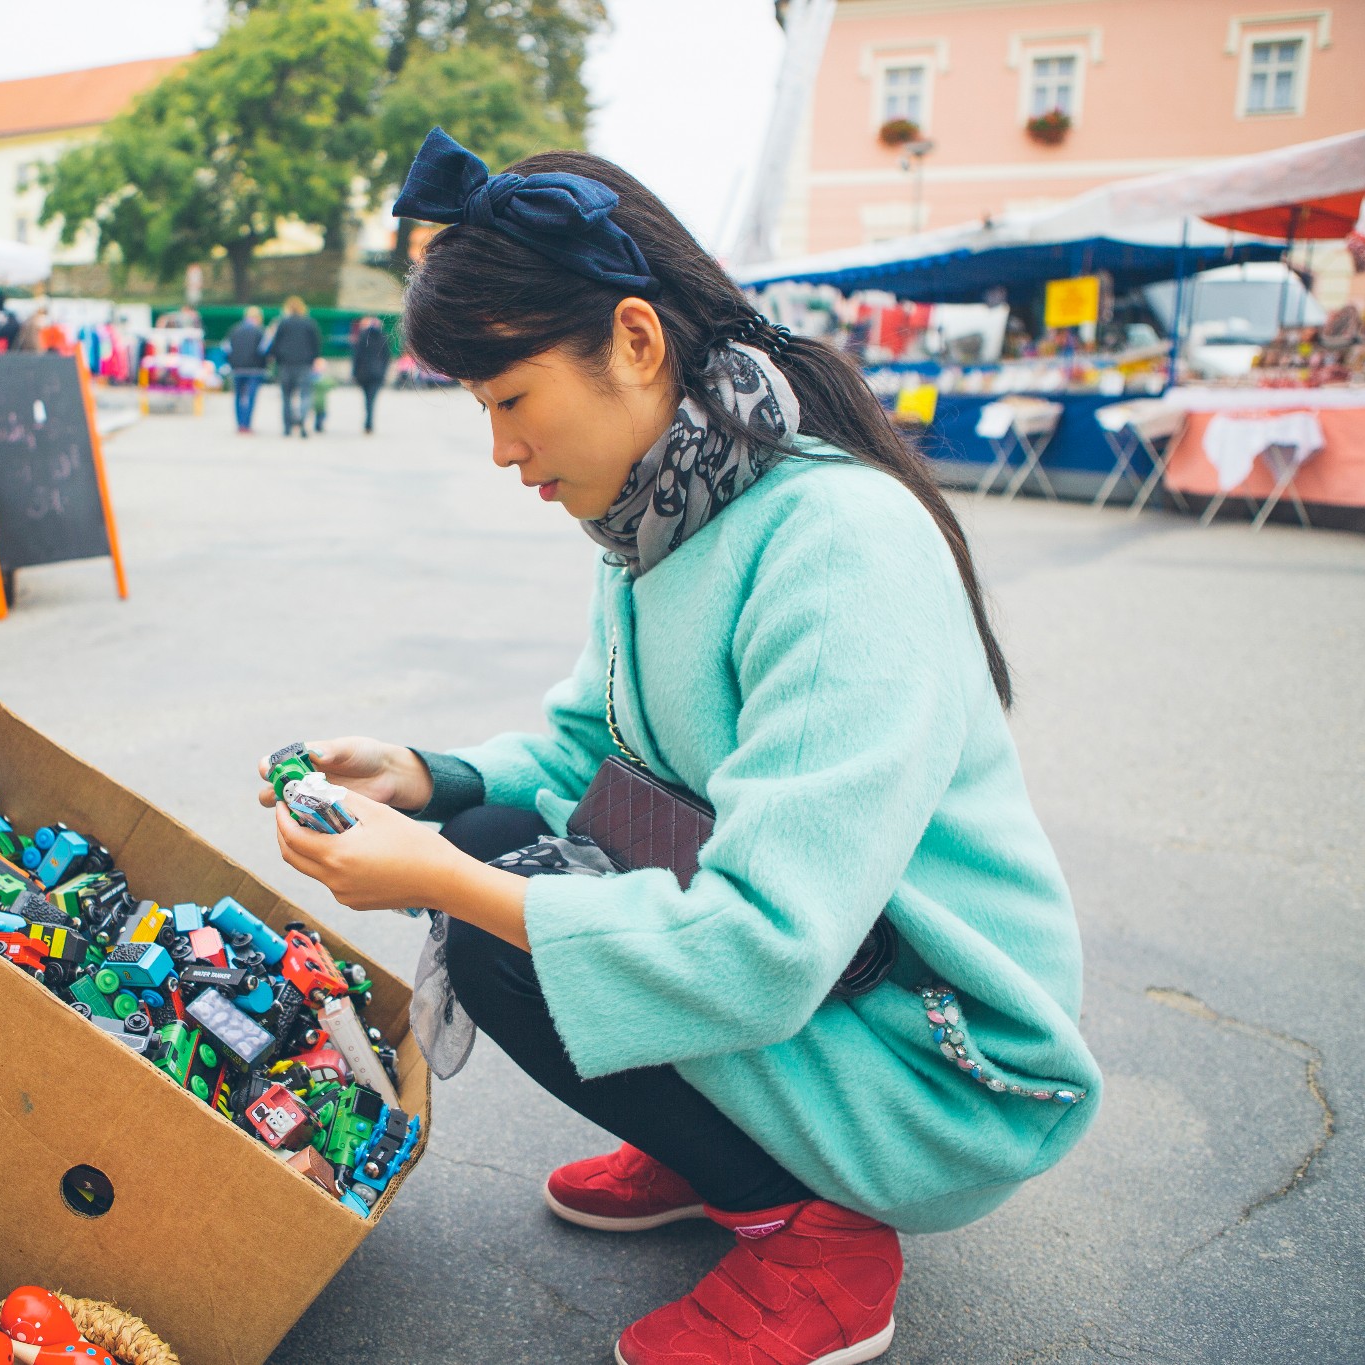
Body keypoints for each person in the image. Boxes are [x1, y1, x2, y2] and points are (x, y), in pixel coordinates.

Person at [259, 129, 1098, 1365]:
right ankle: (718, 1134)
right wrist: (428, 780)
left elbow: (764, 947)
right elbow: (596, 747)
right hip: (835, 984)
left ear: (635, 342)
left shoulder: (832, 541)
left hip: (935, 1066)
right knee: (494, 838)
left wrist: (438, 881)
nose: (500, 450)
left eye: (507, 399)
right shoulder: (666, 512)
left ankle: (818, 1242)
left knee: (490, 917)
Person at [265, 295, 322, 437]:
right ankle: (302, 419)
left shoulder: (283, 323)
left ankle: (287, 427)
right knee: (305, 394)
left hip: (286, 364)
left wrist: (275, 358)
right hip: (304, 364)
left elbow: (276, 344)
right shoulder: (309, 323)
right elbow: (316, 344)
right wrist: (314, 359)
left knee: (286, 397)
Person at [224, 306, 268, 434]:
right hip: (255, 370)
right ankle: (247, 424)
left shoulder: (234, 330)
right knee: (250, 398)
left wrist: (232, 362)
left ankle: (240, 424)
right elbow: (264, 350)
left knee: (238, 397)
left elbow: (226, 348)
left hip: (237, 369)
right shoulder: (260, 331)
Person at [350, 316, 394, 433]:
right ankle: (369, 422)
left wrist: (354, 373)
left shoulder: (362, 336)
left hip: (363, 373)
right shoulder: (383, 337)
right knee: (372, 398)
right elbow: (387, 357)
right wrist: (384, 371)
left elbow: (356, 356)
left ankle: (368, 420)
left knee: (367, 398)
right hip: (378, 373)